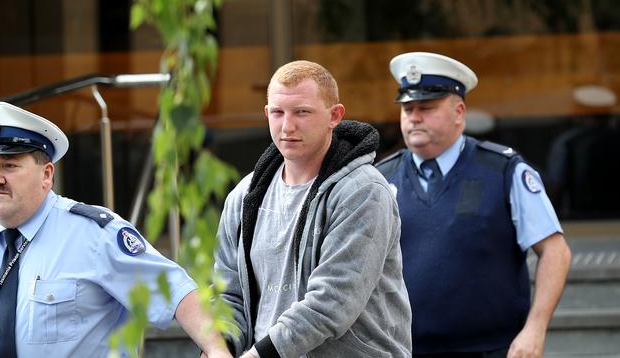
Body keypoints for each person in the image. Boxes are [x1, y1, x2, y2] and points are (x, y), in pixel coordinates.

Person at [0, 101, 231, 358]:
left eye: (10, 165)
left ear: (47, 175)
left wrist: (217, 350)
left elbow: (176, 291)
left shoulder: (93, 234)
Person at [376, 52, 572, 358]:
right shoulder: (379, 180)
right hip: (404, 349)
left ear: (459, 111)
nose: (413, 117)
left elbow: (555, 252)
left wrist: (535, 329)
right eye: (407, 108)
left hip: (491, 349)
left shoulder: (502, 170)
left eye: (426, 108)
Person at [214, 60, 412, 358]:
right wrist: (219, 347)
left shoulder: (364, 192)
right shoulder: (244, 195)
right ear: (267, 114)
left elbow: (331, 303)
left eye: (302, 112)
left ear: (335, 116)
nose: (288, 126)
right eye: (278, 113)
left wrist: (257, 356)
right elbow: (229, 293)